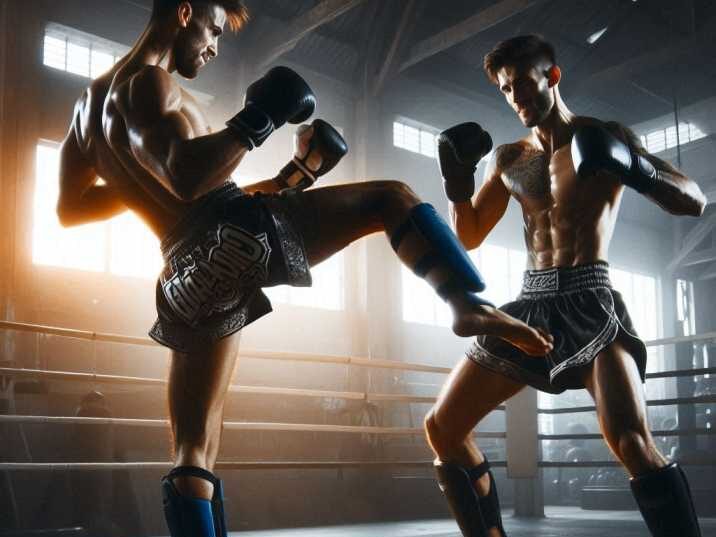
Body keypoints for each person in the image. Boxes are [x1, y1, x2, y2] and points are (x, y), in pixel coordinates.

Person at [56, 2, 553, 535]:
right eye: (214, 30)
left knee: (192, 449)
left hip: (184, 272)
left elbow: (73, 208)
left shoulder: (87, 110)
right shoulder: (149, 83)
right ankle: (467, 306)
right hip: (229, 237)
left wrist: (295, 174)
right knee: (392, 198)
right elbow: (188, 178)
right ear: (185, 11)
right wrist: (258, 117)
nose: (214, 45)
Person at [424, 34, 706, 537]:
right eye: (507, 90)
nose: (517, 99)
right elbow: (467, 235)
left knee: (632, 443)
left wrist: (634, 166)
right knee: (441, 429)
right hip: (529, 304)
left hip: (590, 298)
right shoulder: (510, 159)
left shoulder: (606, 134)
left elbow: (694, 200)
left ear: (552, 76)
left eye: (525, 85)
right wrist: (456, 186)